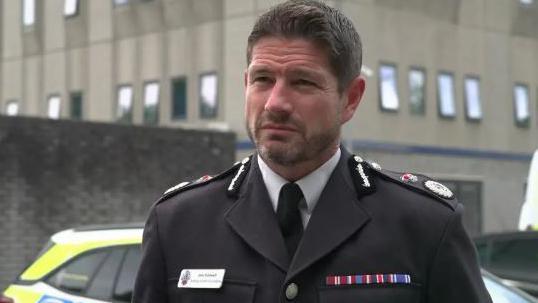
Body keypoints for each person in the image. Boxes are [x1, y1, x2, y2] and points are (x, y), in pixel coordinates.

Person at [132, 1, 492, 302]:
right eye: (262, 80)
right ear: (246, 84)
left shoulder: (424, 225)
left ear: (350, 99)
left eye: (302, 82)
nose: (275, 103)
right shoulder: (178, 224)